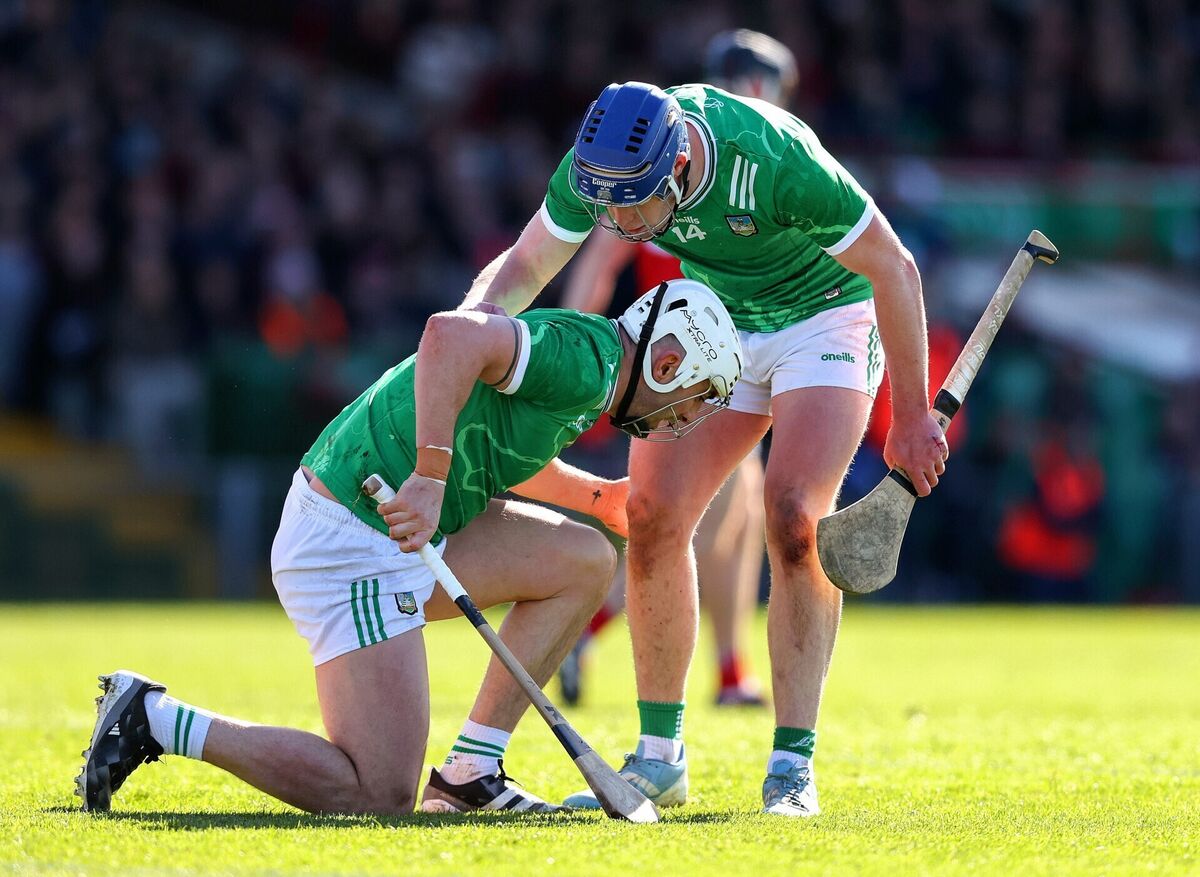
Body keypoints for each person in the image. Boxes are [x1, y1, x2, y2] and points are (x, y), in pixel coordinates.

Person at [458, 80, 949, 816]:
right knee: (651, 514)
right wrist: (470, 326)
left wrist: (909, 414)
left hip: (827, 314)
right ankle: (660, 761)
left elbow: (895, 267)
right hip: (719, 316)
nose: (620, 221)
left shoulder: (771, 159)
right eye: (609, 206)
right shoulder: (601, 167)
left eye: (634, 205)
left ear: (680, 160)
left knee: (793, 520)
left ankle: (792, 766)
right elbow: (528, 263)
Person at [77, 278, 743, 816]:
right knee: (379, 793)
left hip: (399, 526)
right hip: (351, 538)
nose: (680, 423)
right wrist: (429, 475)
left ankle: (471, 774)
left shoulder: (594, 373)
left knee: (586, 559)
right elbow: (448, 337)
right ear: (667, 361)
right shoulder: (583, 361)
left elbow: (505, 442)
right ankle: (154, 717)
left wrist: (595, 498)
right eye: (689, 403)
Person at [558, 29, 801, 708]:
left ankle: (728, 670)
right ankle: (586, 626)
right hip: (676, 372)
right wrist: (588, 359)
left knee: (740, 517)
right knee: (688, 521)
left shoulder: (754, 165)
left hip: (729, 369)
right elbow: (599, 265)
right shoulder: (665, 163)